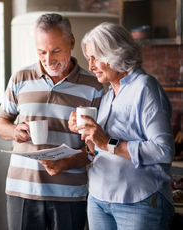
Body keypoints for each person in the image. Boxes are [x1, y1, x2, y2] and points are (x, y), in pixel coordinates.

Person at [0, 13, 103, 230]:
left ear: (71, 42)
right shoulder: (21, 78)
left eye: (56, 51)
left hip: (70, 193)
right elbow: (0, 123)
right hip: (22, 190)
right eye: (41, 52)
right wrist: (15, 131)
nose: (48, 59)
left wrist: (67, 163)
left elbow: (96, 148)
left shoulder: (93, 85)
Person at [68, 22, 175, 230]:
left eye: (95, 58)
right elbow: (99, 150)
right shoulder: (108, 96)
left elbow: (163, 150)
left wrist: (107, 142)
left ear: (114, 53)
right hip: (99, 198)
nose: (90, 66)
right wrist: (88, 134)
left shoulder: (145, 87)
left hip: (137, 201)